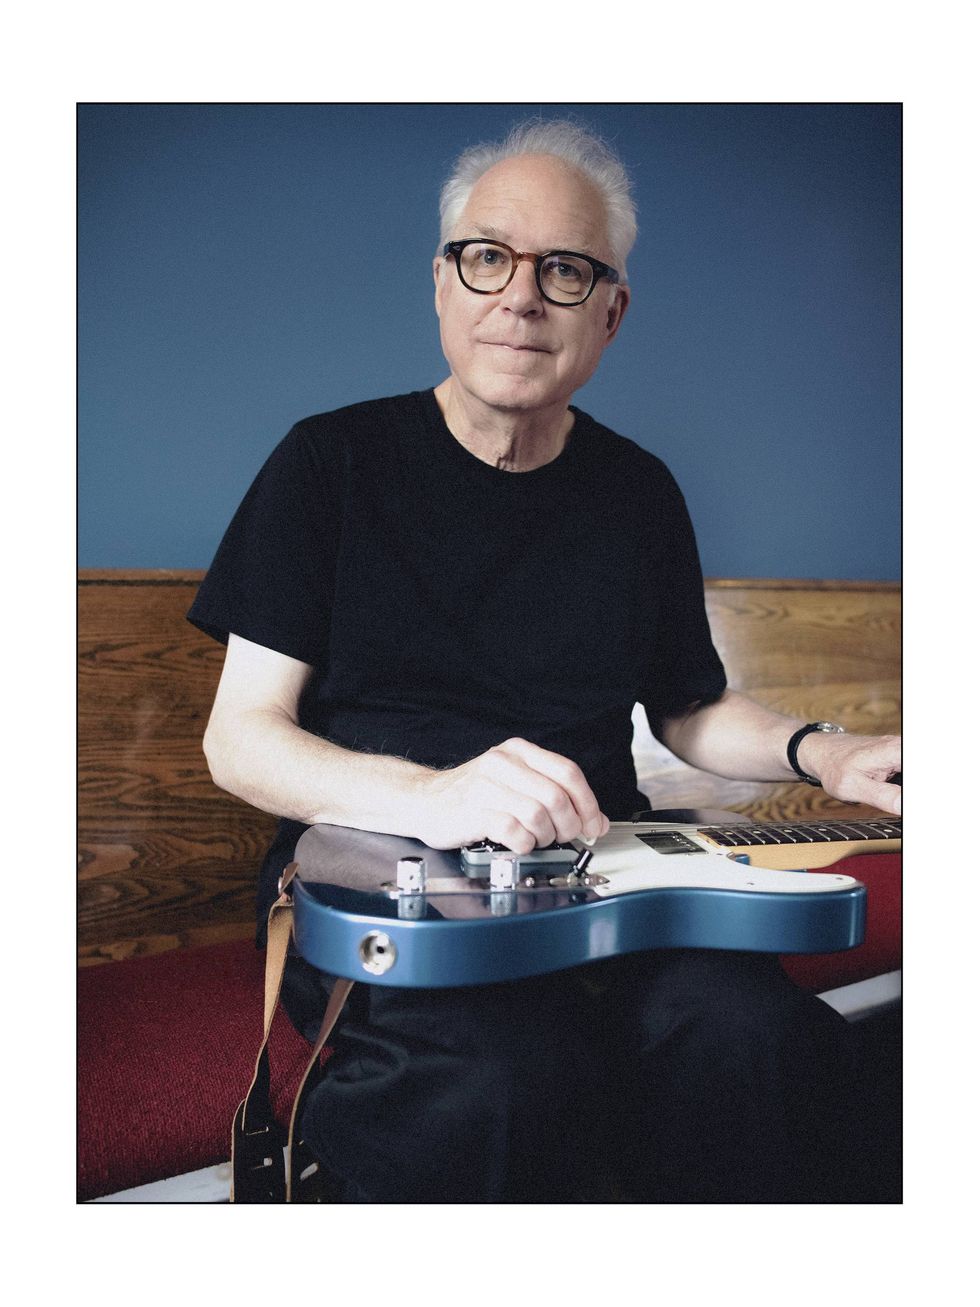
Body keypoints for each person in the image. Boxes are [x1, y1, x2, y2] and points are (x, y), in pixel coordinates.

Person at [189, 119, 901, 1203]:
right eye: (488, 257)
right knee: (500, 1079)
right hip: (386, 885)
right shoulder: (327, 462)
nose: (519, 297)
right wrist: (435, 796)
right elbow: (240, 739)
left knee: (752, 1037)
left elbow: (688, 708)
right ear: (442, 283)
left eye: (564, 270)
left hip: (603, 876)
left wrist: (825, 751)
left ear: (610, 311)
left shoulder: (639, 491)